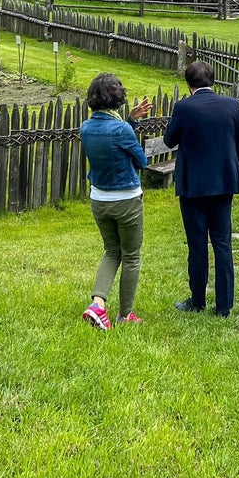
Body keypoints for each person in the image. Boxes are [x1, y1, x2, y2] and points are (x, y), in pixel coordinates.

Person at [163, 60, 239, 319]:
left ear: (188, 84)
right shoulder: (232, 105)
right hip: (224, 183)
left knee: (197, 243)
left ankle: (198, 300)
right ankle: (224, 305)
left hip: (194, 186)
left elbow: (169, 141)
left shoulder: (184, 107)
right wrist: (236, 171)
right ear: (213, 80)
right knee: (223, 243)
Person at [80, 73, 151, 330]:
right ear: (117, 99)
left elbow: (114, 142)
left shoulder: (86, 127)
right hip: (127, 200)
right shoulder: (120, 129)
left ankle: (98, 303)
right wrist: (130, 125)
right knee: (131, 256)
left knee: (112, 252)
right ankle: (125, 314)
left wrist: (132, 120)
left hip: (99, 199)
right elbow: (142, 161)